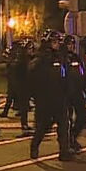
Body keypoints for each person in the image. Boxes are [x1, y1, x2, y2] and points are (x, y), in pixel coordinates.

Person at [29, 30, 73, 161]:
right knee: (43, 127)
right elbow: (33, 78)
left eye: (58, 41)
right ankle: (34, 145)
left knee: (64, 125)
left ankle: (64, 151)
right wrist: (37, 96)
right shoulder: (40, 59)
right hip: (45, 100)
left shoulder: (61, 57)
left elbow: (66, 76)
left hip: (60, 98)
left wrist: (68, 92)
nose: (57, 44)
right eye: (54, 42)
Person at [63, 34, 86, 153]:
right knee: (66, 120)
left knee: (83, 116)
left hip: (77, 93)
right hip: (65, 93)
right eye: (69, 44)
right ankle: (67, 143)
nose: (71, 46)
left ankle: (73, 136)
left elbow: (82, 75)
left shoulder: (76, 58)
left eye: (73, 44)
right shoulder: (61, 58)